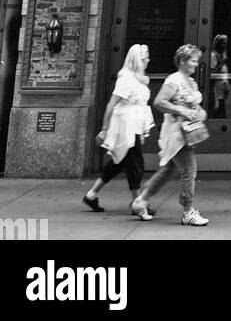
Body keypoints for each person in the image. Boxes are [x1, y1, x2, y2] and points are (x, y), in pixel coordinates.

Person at [131, 43, 209, 226]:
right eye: (193, 61)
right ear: (182, 61)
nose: (196, 65)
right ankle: (188, 211)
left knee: (168, 170)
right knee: (189, 171)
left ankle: (140, 201)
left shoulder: (190, 81)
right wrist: (181, 110)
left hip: (187, 132)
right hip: (177, 135)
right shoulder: (174, 80)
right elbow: (159, 102)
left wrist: (201, 114)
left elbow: (195, 107)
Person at [83, 44, 154, 214]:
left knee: (118, 162)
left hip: (134, 125)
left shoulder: (137, 78)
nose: (148, 61)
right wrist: (104, 129)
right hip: (126, 128)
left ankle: (91, 195)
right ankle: (138, 203)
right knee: (136, 164)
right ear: (137, 60)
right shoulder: (126, 79)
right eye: (145, 58)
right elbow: (111, 105)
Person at [210, 34, 230, 118]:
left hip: (222, 86)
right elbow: (212, 72)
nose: (224, 45)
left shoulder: (223, 54)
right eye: (222, 43)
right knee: (218, 109)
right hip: (216, 87)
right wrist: (221, 63)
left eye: (225, 43)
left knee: (221, 107)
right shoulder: (213, 56)